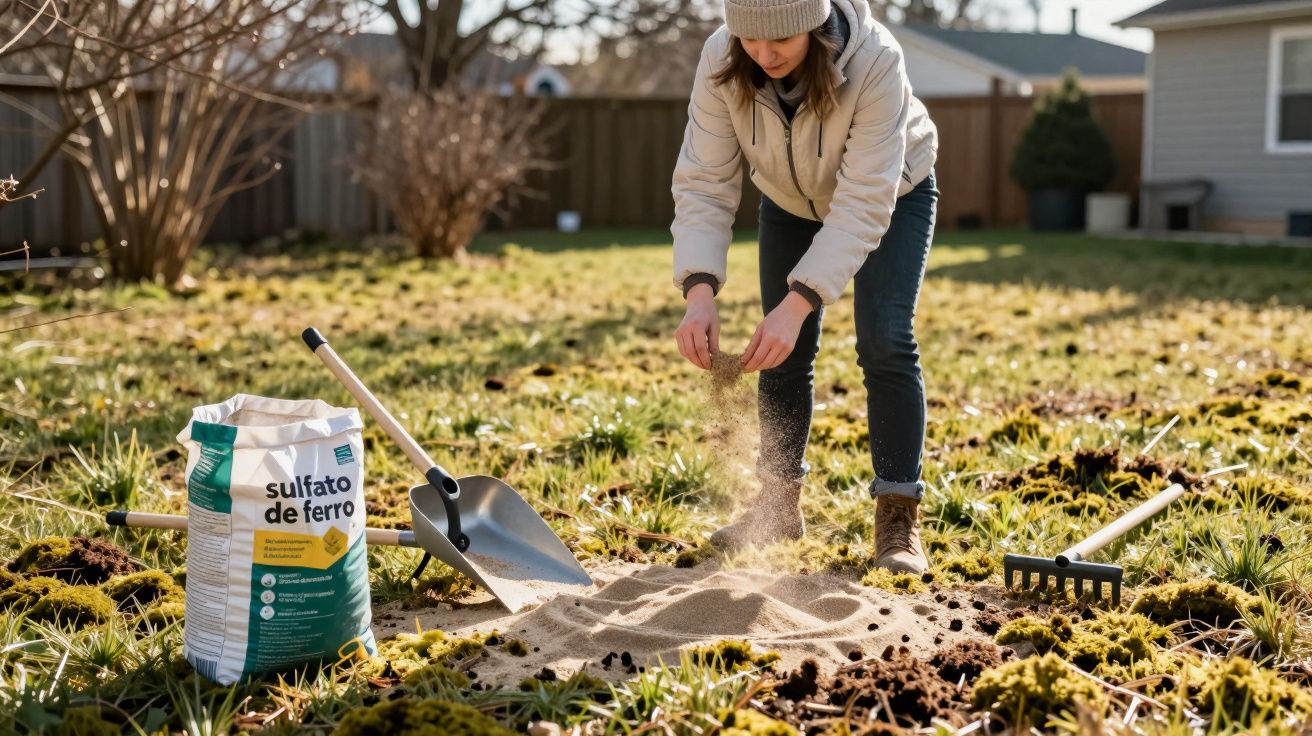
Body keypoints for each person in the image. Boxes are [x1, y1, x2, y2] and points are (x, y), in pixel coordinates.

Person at [670, 0, 939, 573]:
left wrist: (800, 303)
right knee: (782, 358)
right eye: (750, 40)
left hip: (894, 193)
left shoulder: (875, 62)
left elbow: (865, 201)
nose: (763, 56)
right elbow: (705, 180)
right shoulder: (722, 57)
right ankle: (776, 507)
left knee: (885, 340)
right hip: (791, 201)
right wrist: (699, 292)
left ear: (815, 27)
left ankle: (898, 515)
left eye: (781, 42)